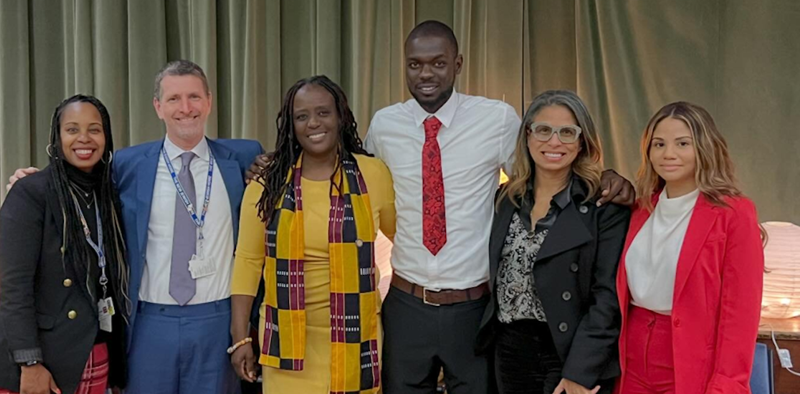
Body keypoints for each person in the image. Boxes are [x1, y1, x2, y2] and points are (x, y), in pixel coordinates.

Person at [246, 20, 635, 393]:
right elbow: (340, 166)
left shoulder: (496, 120)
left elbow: (543, 167)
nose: (426, 74)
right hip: (405, 304)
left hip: (474, 307)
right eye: (415, 65)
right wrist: (273, 162)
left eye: (438, 63)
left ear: (458, 64)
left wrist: (604, 177)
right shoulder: (385, 125)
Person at [7, 60, 264, 394]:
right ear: (158, 107)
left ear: (209, 101)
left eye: (194, 97)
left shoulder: (243, 158)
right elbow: (80, 179)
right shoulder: (128, 164)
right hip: (147, 324)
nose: (185, 108)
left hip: (218, 322)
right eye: (173, 99)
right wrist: (35, 180)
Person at [229, 75, 395, 393]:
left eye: (323, 112)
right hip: (288, 348)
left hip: (356, 341)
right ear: (291, 125)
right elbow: (248, 262)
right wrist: (240, 338)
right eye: (302, 116)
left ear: (340, 116)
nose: (313, 123)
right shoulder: (267, 181)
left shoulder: (372, 175)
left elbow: (406, 237)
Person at [475, 90, 629, 394]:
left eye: (567, 132)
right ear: (528, 136)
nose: (554, 142)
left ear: (582, 141)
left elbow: (607, 299)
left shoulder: (602, 207)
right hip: (508, 353)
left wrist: (579, 372)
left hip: (566, 356)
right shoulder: (506, 200)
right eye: (543, 130)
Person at [0, 95, 129, 394]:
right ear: (57, 137)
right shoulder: (31, 193)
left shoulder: (109, 194)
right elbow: (14, 287)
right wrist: (29, 361)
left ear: (107, 137)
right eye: (72, 129)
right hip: (40, 358)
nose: (84, 139)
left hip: (93, 348)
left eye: (94, 129)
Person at [616, 102, 764, 394]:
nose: (668, 153)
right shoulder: (639, 210)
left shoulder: (733, 213)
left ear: (704, 148)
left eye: (682, 143)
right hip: (630, 362)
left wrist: (727, 383)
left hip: (691, 361)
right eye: (659, 144)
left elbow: (740, 314)